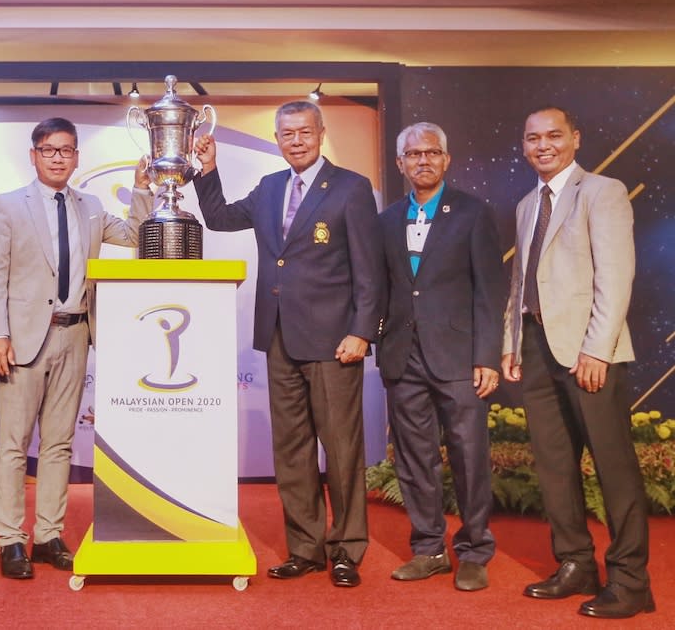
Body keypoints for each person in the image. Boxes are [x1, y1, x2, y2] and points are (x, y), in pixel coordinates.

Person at [193, 100, 386, 587]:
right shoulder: (269, 187)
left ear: (320, 134)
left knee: (340, 450)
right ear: (277, 139)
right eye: (286, 134)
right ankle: (305, 546)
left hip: (334, 340)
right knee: (292, 449)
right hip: (278, 336)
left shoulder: (351, 188)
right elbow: (217, 218)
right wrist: (208, 170)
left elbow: (370, 269)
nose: (295, 141)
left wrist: (362, 330)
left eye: (304, 132)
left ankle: (346, 548)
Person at [0, 117, 152, 579]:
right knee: (14, 445)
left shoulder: (92, 207)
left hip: (76, 334)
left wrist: (142, 189)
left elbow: (139, 237)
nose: (59, 157)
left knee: (58, 444)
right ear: (34, 155)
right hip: (21, 340)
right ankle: (10, 540)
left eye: (67, 150)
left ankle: (47, 535)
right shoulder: (8, 205)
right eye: (49, 149)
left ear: (77, 156)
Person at [502, 106, 652, 619]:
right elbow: (521, 282)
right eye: (532, 138)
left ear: (575, 139)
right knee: (554, 466)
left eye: (553, 136)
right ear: (523, 146)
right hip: (538, 350)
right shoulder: (527, 204)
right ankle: (576, 564)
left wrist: (597, 349)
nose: (543, 145)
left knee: (614, 469)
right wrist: (511, 341)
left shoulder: (602, 192)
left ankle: (631, 582)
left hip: (590, 353)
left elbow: (616, 276)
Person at [377, 122, 505, 592]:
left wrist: (487, 356)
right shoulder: (386, 219)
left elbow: (491, 290)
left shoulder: (473, 213)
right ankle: (429, 549)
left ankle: (473, 551)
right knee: (414, 460)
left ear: (446, 160)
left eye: (432, 153)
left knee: (470, 457)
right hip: (402, 358)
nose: (423, 161)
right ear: (400, 163)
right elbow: (380, 288)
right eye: (413, 154)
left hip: (459, 358)